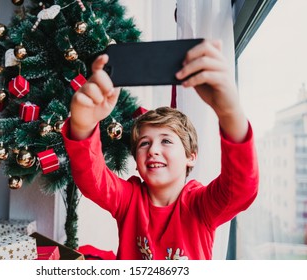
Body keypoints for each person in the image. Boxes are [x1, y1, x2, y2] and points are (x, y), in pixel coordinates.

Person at [61, 39, 259, 260]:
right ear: (136, 161)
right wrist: (82, 125)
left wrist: (229, 113)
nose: (153, 149)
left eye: (166, 141)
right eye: (144, 143)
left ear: (190, 157)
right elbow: (92, 179)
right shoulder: (129, 200)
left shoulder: (200, 206)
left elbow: (241, 188)